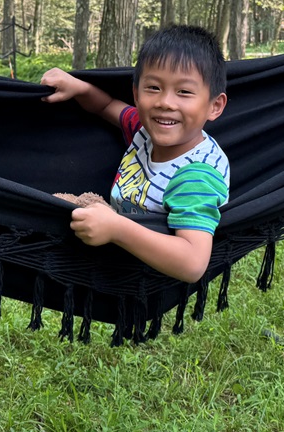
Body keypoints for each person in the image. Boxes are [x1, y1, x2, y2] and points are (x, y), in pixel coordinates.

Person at [39, 25, 229, 283]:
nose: (165, 102)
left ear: (214, 106)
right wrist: (80, 88)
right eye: (153, 88)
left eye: (184, 91)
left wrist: (117, 229)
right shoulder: (145, 129)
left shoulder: (195, 176)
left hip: (143, 276)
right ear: (136, 94)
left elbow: (193, 263)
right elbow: (106, 105)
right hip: (112, 240)